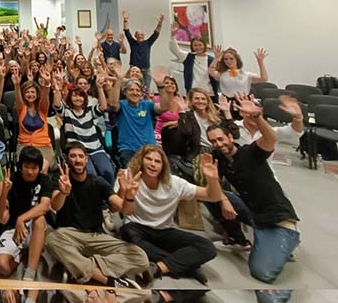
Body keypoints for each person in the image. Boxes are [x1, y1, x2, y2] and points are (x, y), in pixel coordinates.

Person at [206, 96, 300, 300]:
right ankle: (240, 239)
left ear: (230, 137)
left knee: (261, 272)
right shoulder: (220, 158)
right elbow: (214, 188)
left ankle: (284, 244)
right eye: (213, 141)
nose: (218, 144)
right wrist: (222, 198)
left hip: (278, 220)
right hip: (255, 214)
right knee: (213, 195)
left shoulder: (250, 153)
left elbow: (270, 139)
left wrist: (257, 117)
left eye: (221, 139)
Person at [46, 142, 148, 291]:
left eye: (81, 156)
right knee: (51, 239)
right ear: (67, 159)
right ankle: (105, 278)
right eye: (73, 156)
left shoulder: (98, 182)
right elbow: (55, 206)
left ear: (86, 159)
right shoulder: (61, 180)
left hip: (96, 236)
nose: (77, 160)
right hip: (69, 235)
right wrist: (64, 192)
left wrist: (129, 196)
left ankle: (84, 266)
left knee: (140, 257)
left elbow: (124, 209)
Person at [119, 145, 221, 289]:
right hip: (136, 227)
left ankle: (160, 267)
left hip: (164, 230)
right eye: (148, 159)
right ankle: (188, 265)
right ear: (141, 160)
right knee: (127, 235)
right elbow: (125, 211)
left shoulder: (174, 183)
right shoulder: (129, 176)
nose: (153, 164)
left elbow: (212, 196)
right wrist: (128, 194)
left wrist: (212, 180)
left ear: (163, 166)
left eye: (157, 161)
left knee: (207, 247)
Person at [0, 146, 51, 303]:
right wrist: (4, 192)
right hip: (12, 229)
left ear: (39, 168)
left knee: (40, 220)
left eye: (34, 168)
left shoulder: (44, 180)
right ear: (21, 166)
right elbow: (0, 216)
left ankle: (29, 273)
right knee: (2, 266)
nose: (30, 171)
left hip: (33, 229)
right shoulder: (12, 179)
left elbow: (45, 206)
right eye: (27, 167)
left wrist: (22, 219)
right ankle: (22, 257)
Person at [58, 77, 115, 186]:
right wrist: (57, 88)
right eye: (75, 96)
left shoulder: (89, 111)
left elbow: (103, 107)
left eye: (80, 96)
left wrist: (100, 88)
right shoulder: (66, 112)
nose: (78, 98)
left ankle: (109, 195)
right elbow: (57, 105)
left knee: (108, 172)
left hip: (96, 149)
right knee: (90, 175)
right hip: (78, 150)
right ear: (70, 98)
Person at [107, 70, 166, 168]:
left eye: (138, 90)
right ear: (125, 92)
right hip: (129, 150)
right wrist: (119, 80)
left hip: (150, 149)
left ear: (141, 94)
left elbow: (164, 107)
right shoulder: (122, 105)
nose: (135, 93)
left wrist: (160, 86)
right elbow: (113, 104)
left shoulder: (147, 105)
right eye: (131, 90)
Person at [14, 67, 53, 174]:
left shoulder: (42, 109)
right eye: (27, 92)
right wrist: (16, 85)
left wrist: (46, 84)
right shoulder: (21, 108)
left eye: (32, 92)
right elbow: (18, 99)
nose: (30, 94)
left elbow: (45, 98)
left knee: (42, 169)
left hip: (43, 145)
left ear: (37, 94)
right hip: (24, 145)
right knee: (28, 170)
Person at [168, 30, 218, 98]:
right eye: (195, 45)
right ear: (192, 47)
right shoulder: (188, 57)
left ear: (204, 45)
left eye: (200, 45)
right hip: (193, 92)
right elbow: (175, 50)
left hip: (209, 93)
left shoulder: (211, 60)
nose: (198, 47)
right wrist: (172, 36)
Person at [122, 11, 164, 89]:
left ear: (144, 36)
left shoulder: (148, 43)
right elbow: (127, 31)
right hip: (133, 71)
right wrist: (125, 20)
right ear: (135, 36)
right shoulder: (132, 43)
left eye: (141, 34)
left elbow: (156, 33)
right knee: (132, 87)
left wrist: (160, 23)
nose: (140, 36)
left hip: (146, 71)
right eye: (138, 35)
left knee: (146, 89)